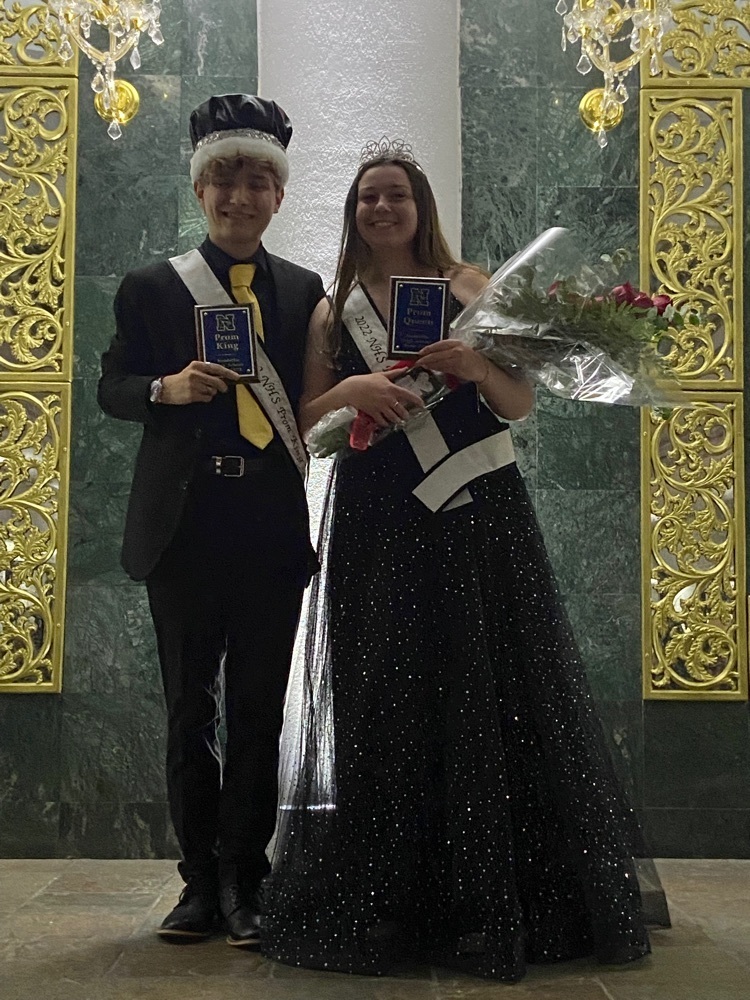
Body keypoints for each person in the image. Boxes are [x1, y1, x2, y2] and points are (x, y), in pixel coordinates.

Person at [260, 142, 668, 980]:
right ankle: (396, 900)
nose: (381, 209)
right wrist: (353, 393)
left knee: (497, 688)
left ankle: (502, 902)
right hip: (379, 517)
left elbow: (516, 406)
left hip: (477, 511)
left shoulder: (469, 288)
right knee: (388, 693)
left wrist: (477, 364)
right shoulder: (333, 310)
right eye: (368, 197)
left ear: (421, 207)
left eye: (396, 196)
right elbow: (304, 419)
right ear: (353, 212)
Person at [97, 94, 325, 947]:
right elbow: (110, 388)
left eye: (258, 180)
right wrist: (165, 389)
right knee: (187, 709)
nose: (241, 196)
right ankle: (199, 883)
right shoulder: (152, 287)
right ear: (200, 191)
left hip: (268, 520)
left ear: (278, 194)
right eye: (225, 179)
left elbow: (313, 401)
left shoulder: (304, 290)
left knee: (260, 708)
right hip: (183, 527)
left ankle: (248, 879)